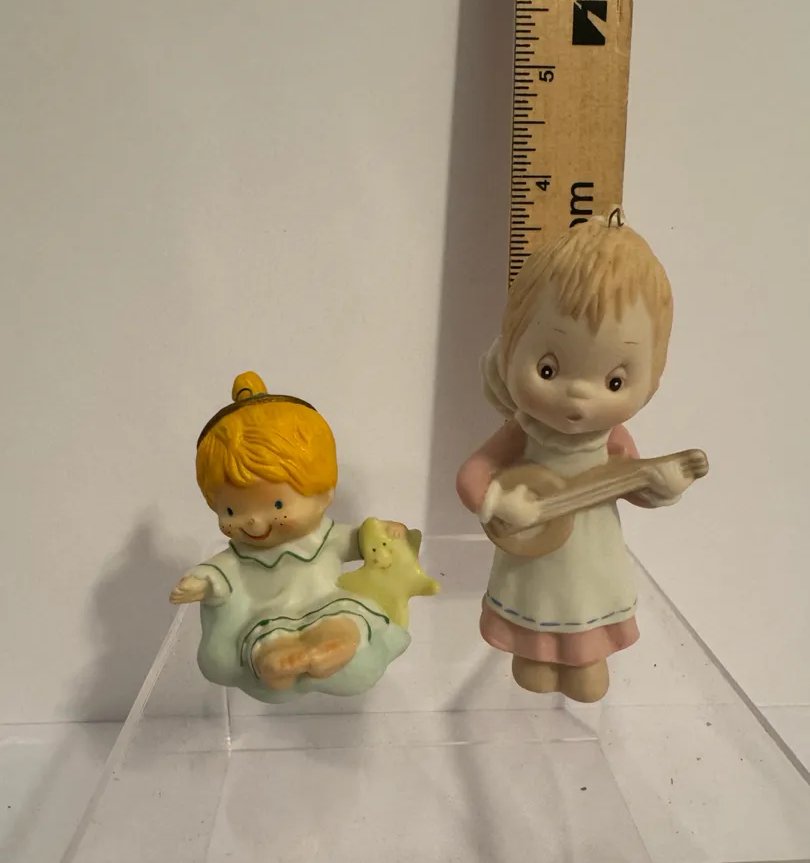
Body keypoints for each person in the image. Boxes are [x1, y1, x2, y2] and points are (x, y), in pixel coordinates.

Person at [457, 211, 697, 702]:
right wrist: (499, 502)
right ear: (510, 349)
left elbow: (632, 482)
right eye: (548, 369)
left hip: (591, 556)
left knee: (587, 661)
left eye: (614, 381)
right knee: (532, 663)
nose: (578, 396)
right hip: (531, 558)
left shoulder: (613, 440)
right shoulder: (521, 431)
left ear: (653, 377)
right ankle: (535, 655)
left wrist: (662, 487)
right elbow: (473, 474)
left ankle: (585, 658)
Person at [170, 372, 410, 700]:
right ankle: (274, 662)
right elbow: (219, 571)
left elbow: (363, 541)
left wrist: (385, 534)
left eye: (278, 505)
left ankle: (334, 644)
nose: (253, 522)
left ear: (324, 494)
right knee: (268, 637)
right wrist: (201, 583)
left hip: (327, 602)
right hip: (268, 616)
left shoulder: (325, 538)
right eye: (230, 511)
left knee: (345, 614)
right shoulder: (241, 556)